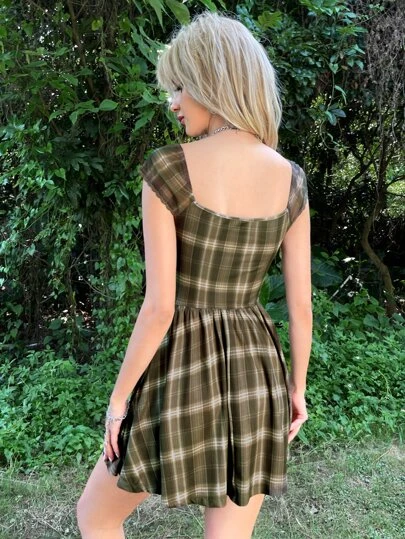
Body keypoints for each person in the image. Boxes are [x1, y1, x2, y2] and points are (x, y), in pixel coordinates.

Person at [77, 11, 312, 539]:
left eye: (180, 86)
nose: (173, 101)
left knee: (96, 515)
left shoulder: (168, 168)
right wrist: (296, 388)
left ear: (211, 81)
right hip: (256, 372)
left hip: (178, 370)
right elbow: (301, 306)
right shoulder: (292, 179)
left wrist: (118, 403)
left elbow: (160, 307)